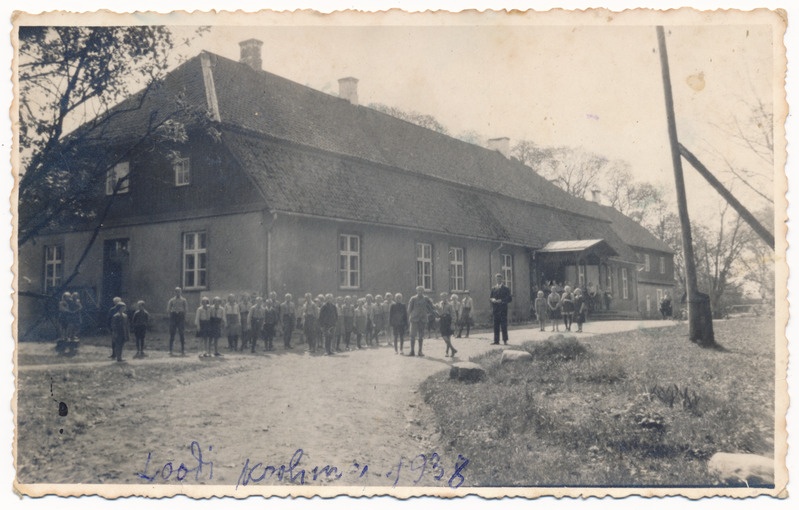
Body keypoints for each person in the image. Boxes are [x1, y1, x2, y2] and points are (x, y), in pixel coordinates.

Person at [490, 273, 512, 345]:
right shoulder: (493, 288)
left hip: (503, 309)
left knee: (503, 325)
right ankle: (496, 340)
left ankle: (505, 340)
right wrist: (492, 299)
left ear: (502, 279)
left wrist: (502, 301)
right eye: (497, 279)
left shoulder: (506, 288)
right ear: (495, 279)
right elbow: (490, 297)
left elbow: (509, 298)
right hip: (496, 309)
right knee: (496, 325)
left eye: (499, 279)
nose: (498, 280)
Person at [406, 286, 428, 356]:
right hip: (414, 319)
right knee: (412, 335)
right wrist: (411, 317)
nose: (420, 292)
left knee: (421, 336)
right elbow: (409, 309)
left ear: (423, 291)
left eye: (421, 290)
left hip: (422, 319)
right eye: (418, 290)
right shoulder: (413, 298)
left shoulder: (426, 299)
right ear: (416, 291)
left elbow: (430, 307)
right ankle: (412, 351)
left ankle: (420, 351)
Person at [167, 287, 188, 356]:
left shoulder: (183, 300)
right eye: (176, 291)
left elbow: (186, 309)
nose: (178, 293)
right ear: (175, 292)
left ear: (181, 292)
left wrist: (183, 315)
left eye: (179, 291)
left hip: (180, 317)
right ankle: (170, 350)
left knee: (181, 334)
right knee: (172, 333)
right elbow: (168, 309)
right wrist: (172, 314)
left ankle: (182, 350)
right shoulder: (171, 300)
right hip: (173, 316)